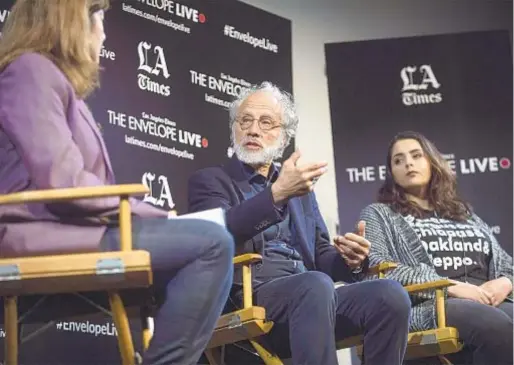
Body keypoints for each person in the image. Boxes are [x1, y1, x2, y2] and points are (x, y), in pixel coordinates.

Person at [0, 1, 234, 364]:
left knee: (195, 254)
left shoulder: (51, 80)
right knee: (212, 245)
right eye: (100, 20)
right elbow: (65, 186)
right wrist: (151, 214)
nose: (104, 33)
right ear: (73, 22)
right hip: (37, 234)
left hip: (66, 227)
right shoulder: (30, 71)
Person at [188, 81, 411, 365]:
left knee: (389, 296)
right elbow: (216, 233)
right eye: (245, 121)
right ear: (234, 129)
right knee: (314, 285)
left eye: (266, 123)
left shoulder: (300, 191)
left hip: (312, 299)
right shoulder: (210, 180)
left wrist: (349, 261)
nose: (253, 130)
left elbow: (321, 254)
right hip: (249, 296)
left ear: (284, 138)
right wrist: (278, 193)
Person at [359, 131, 513, 365]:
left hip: (486, 299)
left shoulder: (464, 214)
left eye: (416, 155)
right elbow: (378, 270)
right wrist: (450, 287)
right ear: (391, 173)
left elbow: (505, 263)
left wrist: (506, 281)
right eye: (398, 160)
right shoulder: (380, 214)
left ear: (432, 162)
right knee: (495, 325)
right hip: (433, 306)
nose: (408, 163)